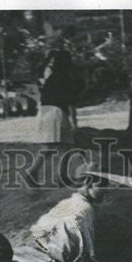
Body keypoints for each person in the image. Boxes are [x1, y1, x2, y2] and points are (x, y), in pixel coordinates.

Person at [29, 49, 80, 187]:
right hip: (56, 112)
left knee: (49, 145)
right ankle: (60, 176)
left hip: (44, 111)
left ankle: (34, 171)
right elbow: (71, 103)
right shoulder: (66, 78)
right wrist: (75, 124)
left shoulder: (51, 77)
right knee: (66, 146)